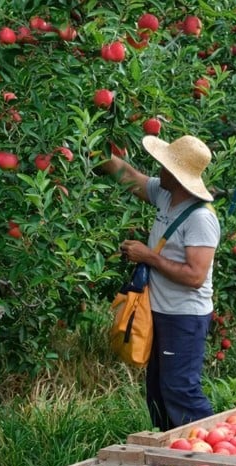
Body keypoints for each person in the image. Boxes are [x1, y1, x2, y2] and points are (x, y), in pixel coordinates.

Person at [99, 134, 220, 430]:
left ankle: (212, 454)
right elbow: (130, 177)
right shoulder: (167, 196)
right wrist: (93, 152)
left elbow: (195, 276)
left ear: (177, 176)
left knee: (181, 391)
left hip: (185, 316)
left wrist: (148, 256)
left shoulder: (200, 218)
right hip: (160, 313)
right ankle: (171, 455)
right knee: (158, 392)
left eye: (165, 166)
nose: (158, 169)